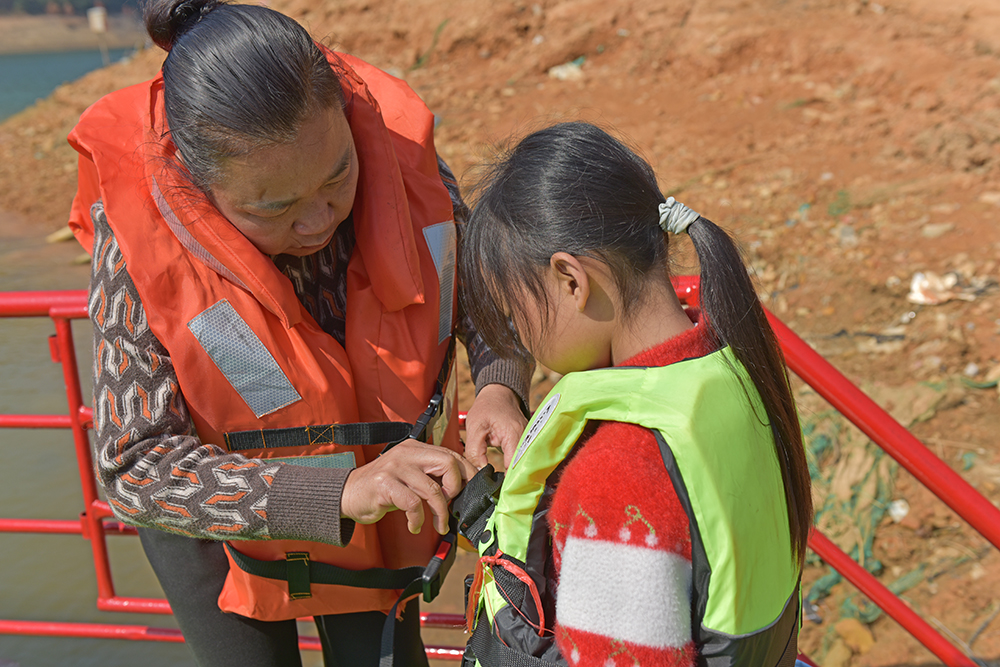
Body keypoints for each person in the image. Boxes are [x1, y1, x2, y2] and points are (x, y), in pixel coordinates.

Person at [65, 1, 532, 665]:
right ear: (197, 187)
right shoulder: (140, 234)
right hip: (222, 528)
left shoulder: (400, 158)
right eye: (274, 207)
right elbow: (133, 463)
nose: (319, 220)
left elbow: (481, 294)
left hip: (384, 491)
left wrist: (498, 385)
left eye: (339, 174)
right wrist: (338, 493)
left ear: (346, 116)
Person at [455, 122, 814, 667]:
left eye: (514, 312)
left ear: (571, 280)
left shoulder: (617, 473)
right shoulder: (725, 373)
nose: (519, 337)